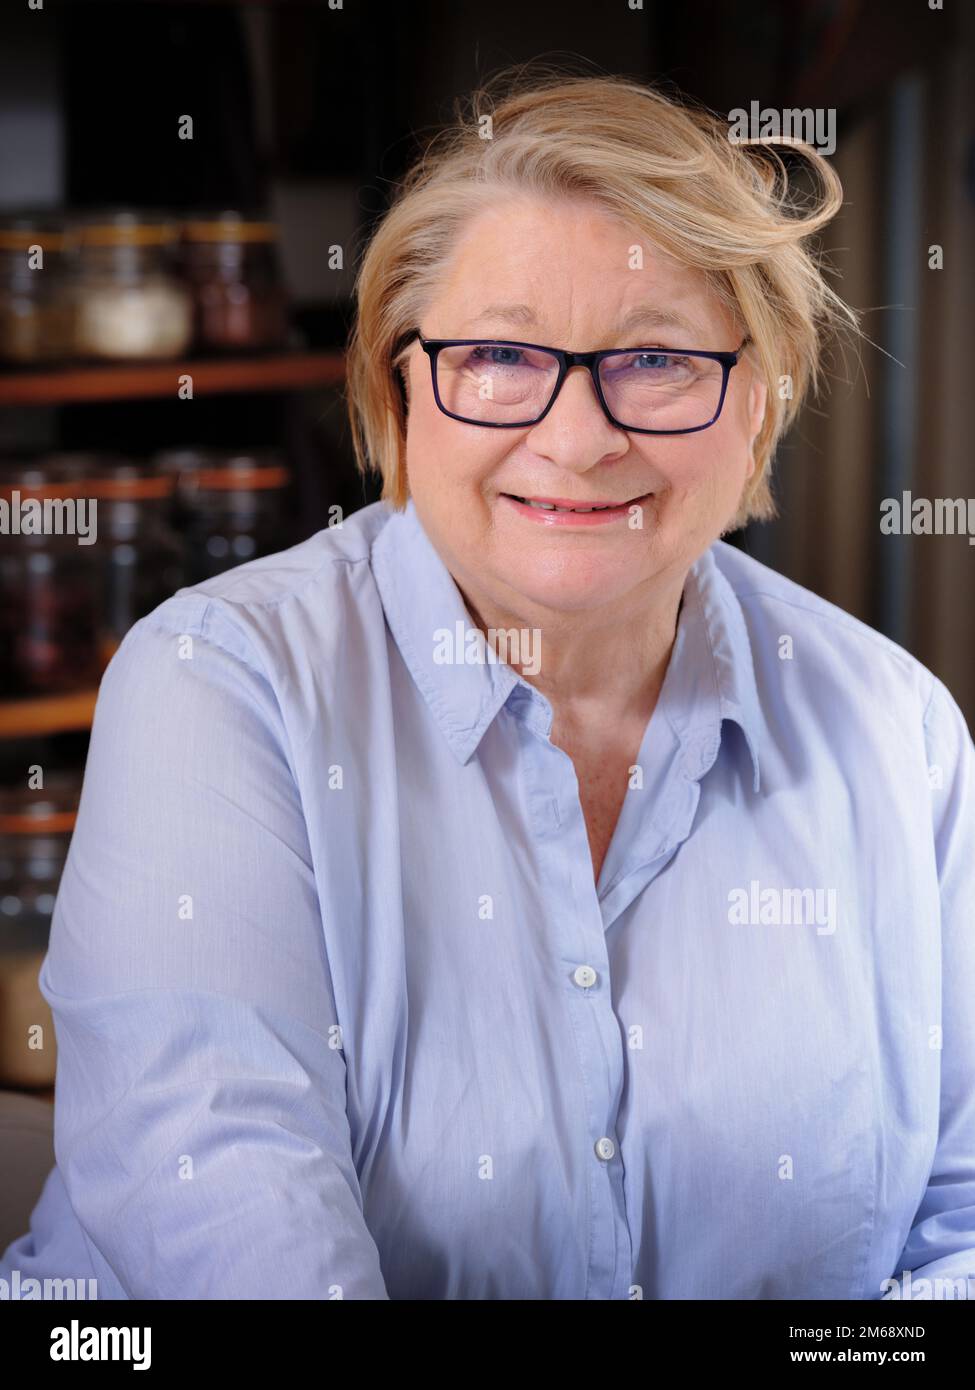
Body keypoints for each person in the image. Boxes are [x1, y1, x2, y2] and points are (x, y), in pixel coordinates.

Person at [3, 67, 973, 1301]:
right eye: (501, 354)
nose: (576, 439)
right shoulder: (223, 683)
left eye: (660, 360)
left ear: (766, 393)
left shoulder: (900, 732)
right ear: (398, 390)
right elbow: (241, 1235)